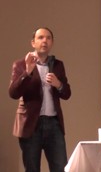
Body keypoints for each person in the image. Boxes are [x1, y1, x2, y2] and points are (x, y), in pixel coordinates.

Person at [9, 27, 71, 172]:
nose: (45, 41)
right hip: (31, 125)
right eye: (41, 37)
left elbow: (67, 93)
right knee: (32, 168)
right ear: (33, 42)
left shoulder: (57, 65)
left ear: (52, 42)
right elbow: (13, 93)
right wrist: (27, 72)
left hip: (54, 124)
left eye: (48, 38)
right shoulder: (20, 64)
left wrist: (58, 84)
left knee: (60, 167)